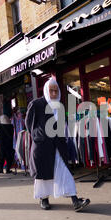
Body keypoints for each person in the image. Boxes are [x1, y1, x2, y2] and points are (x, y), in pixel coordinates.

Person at [25, 77, 90, 211]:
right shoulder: (36, 104)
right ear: (46, 91)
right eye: (51, 91)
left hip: (58, 146)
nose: (54, 94)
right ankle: (43, 198)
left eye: (56, 91)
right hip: (42, 147)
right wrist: (39, 136)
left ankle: (75, 200)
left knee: (65, 172)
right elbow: (29, 123)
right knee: (43, 174)